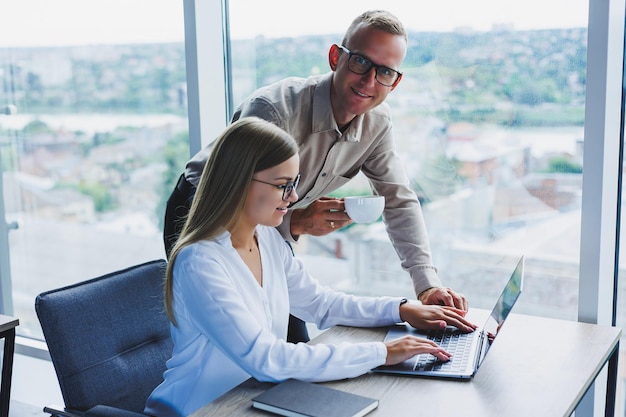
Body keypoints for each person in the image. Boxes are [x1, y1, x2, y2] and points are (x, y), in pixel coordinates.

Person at [163, 9, 468, 343]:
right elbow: (239, 197)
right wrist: (295, 222)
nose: (368, 81)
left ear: (395, 82)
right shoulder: (275, 110)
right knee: (241, 336)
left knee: (292, 332)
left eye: (384, 71)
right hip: (205, 207)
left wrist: (426, 285)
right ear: (335, 57)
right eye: (360, 63)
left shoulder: (377, 124)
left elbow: (399, 201)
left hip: (271, 219)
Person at [145, 117, 476, 417]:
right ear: (240, 181)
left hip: (254, 400)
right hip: (199, 410)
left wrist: (401, 309)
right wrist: (381, 353)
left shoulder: (268, 239)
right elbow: (268, 359)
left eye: (296, 182)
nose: (294, 196)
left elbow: (321, 303)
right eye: (282, 184)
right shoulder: (200, 262)